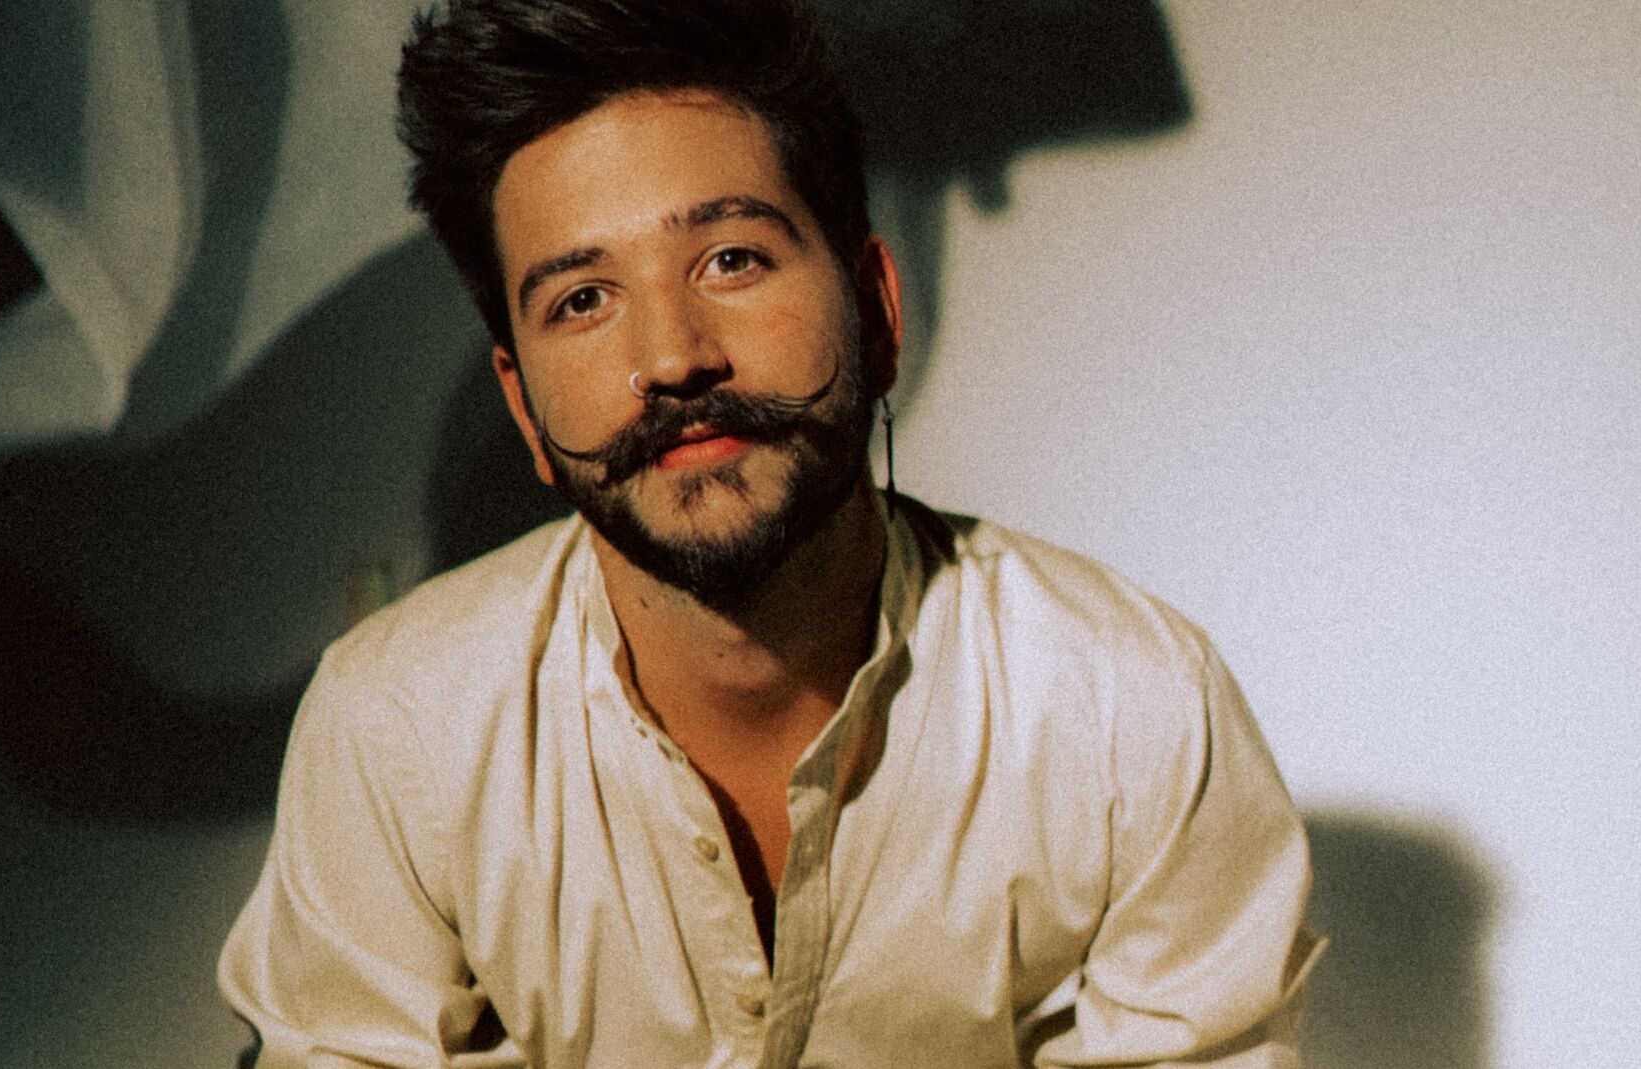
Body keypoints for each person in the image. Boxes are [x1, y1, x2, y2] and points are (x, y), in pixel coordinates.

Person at [218, 0, 1323, 1064]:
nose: (672, 357)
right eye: (582, 300)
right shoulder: (396, 729)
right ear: (523, 407)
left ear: (876, 310)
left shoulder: (1130, 708)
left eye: (731, 259)